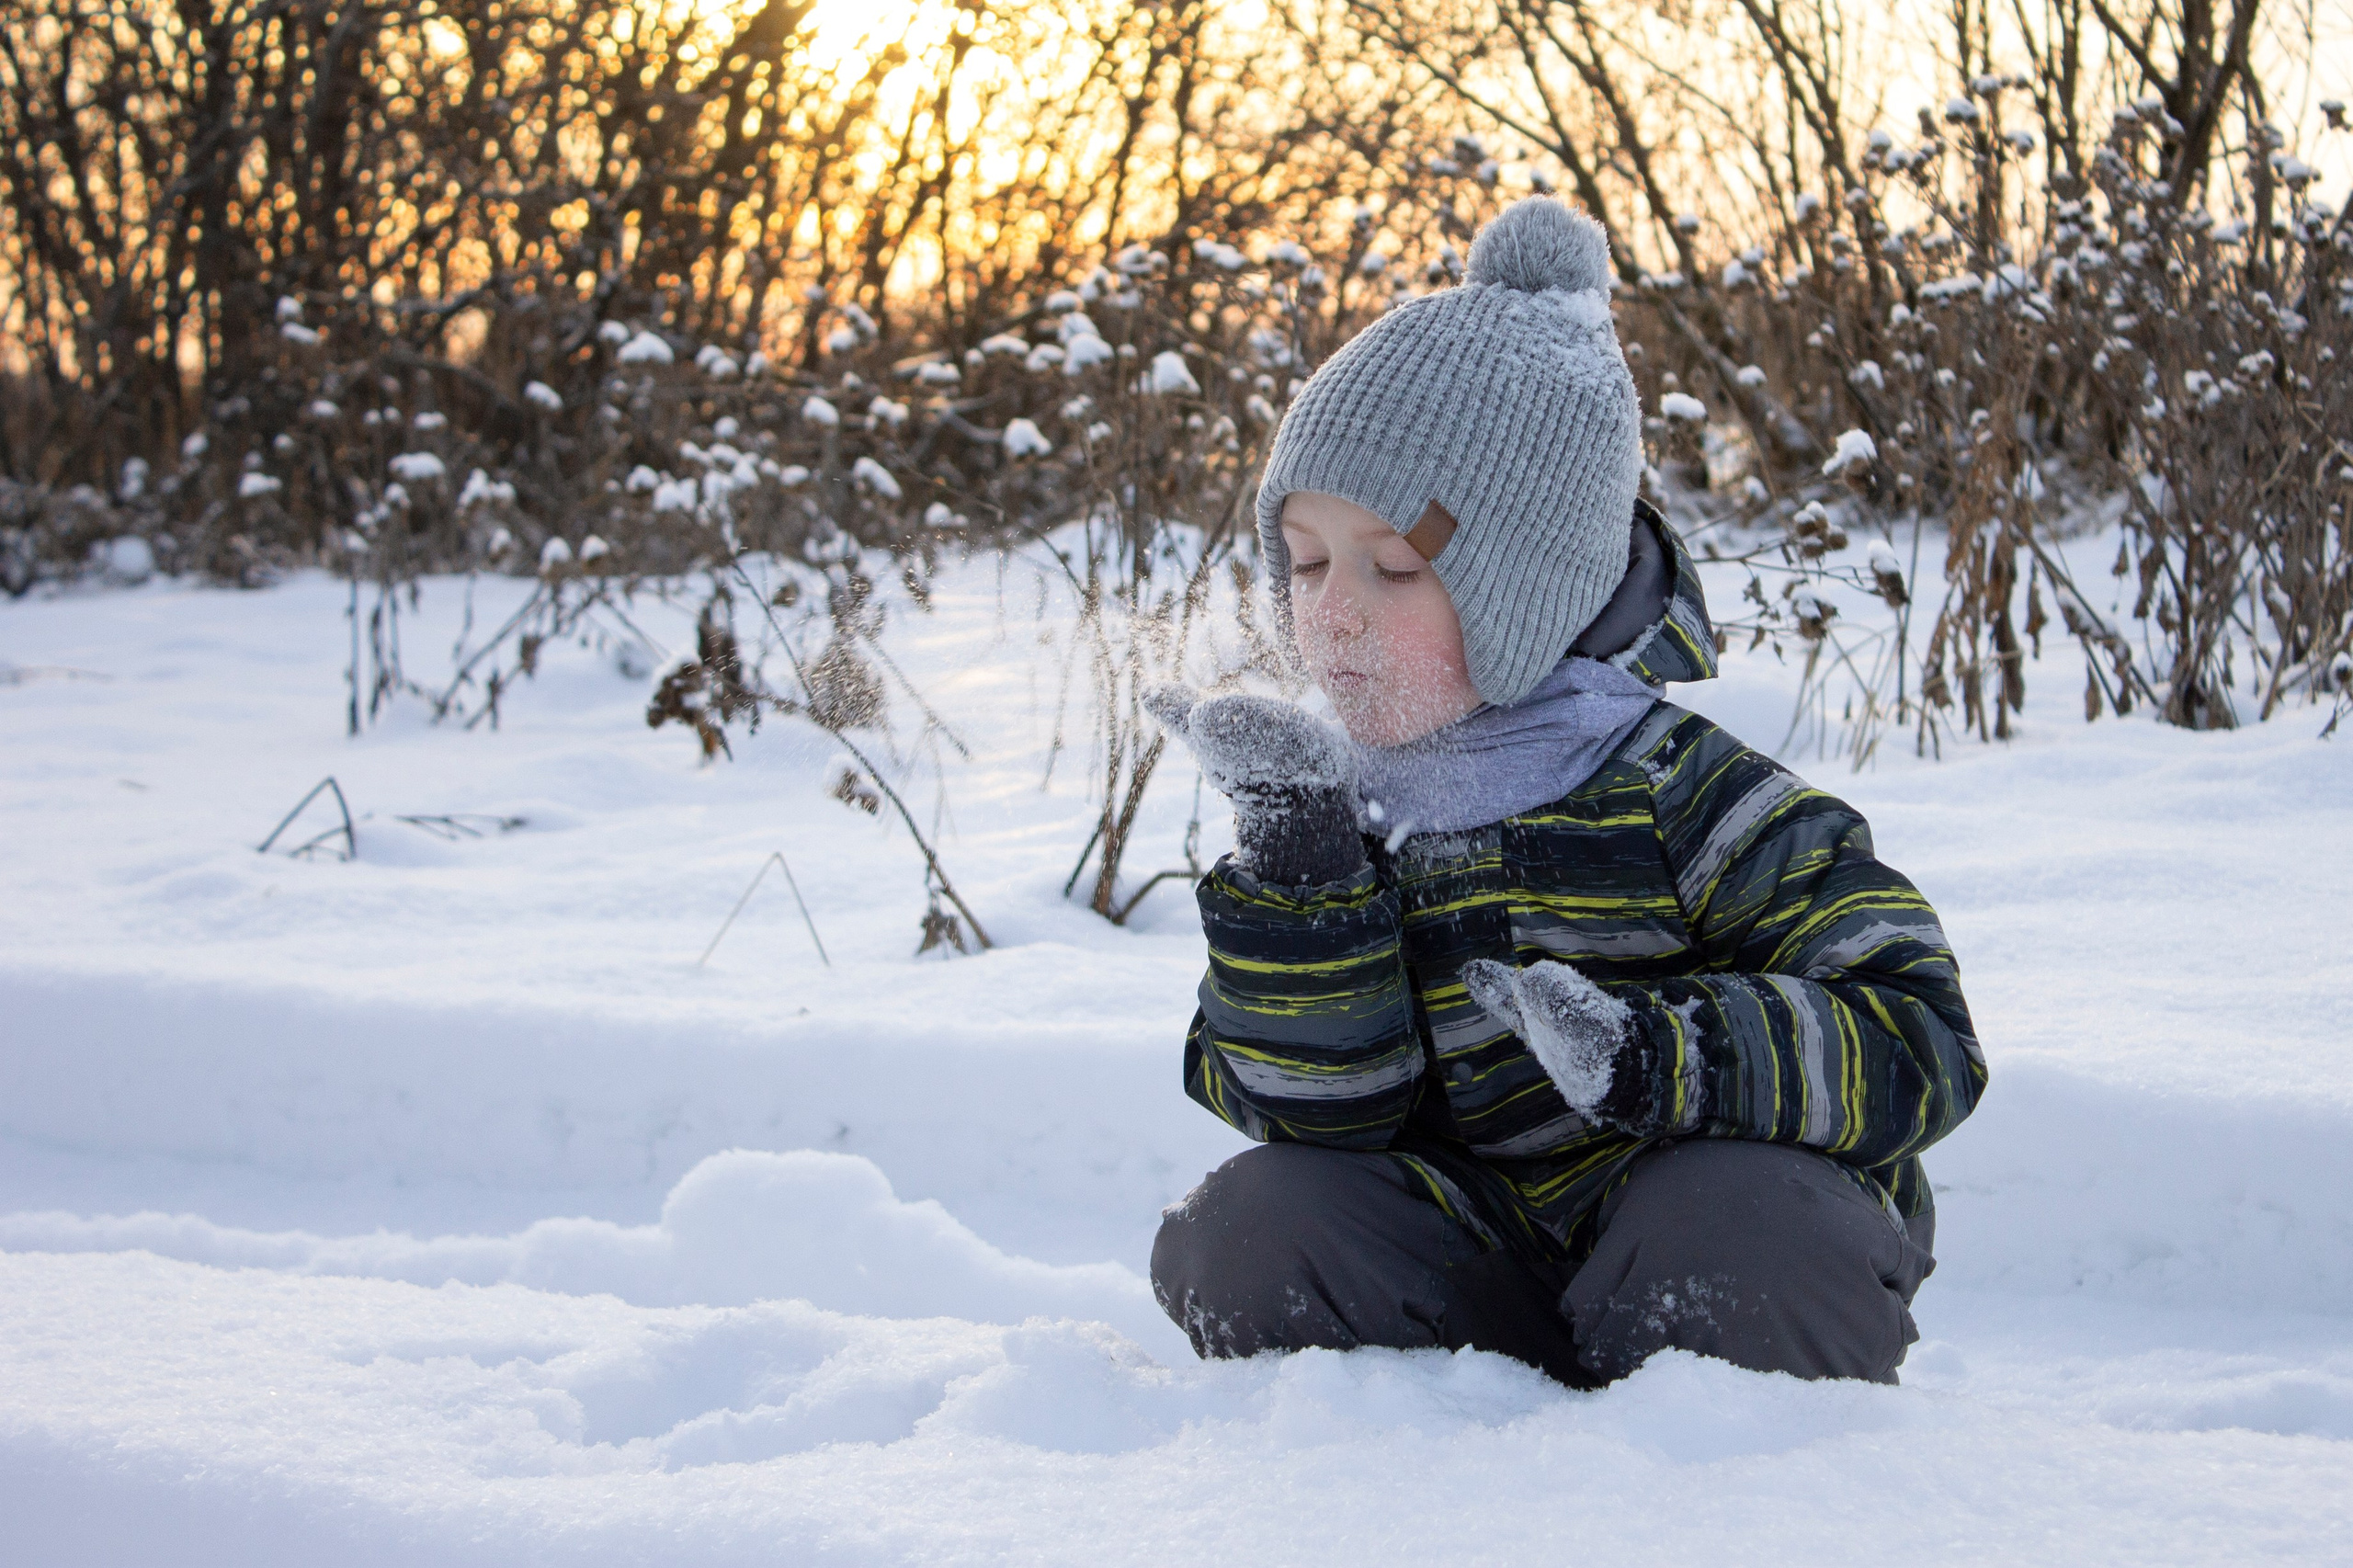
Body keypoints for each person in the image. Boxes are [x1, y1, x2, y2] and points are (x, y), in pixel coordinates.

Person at [1144, 196, 1984, 1389]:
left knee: (1750, 1225)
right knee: (1248, 1226)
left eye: (1396, 567)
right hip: (1467, 1259)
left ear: (1532, 588)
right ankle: (1414, 1442)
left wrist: (1658, 1056)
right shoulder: (1349, 813)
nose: (1332, 614)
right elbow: (1320, 1123)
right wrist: (1299, 863)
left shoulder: (1689, 796)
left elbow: (1920, 1034)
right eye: (1308, 561)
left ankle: (1713, 1448)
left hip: (1689, 1243)